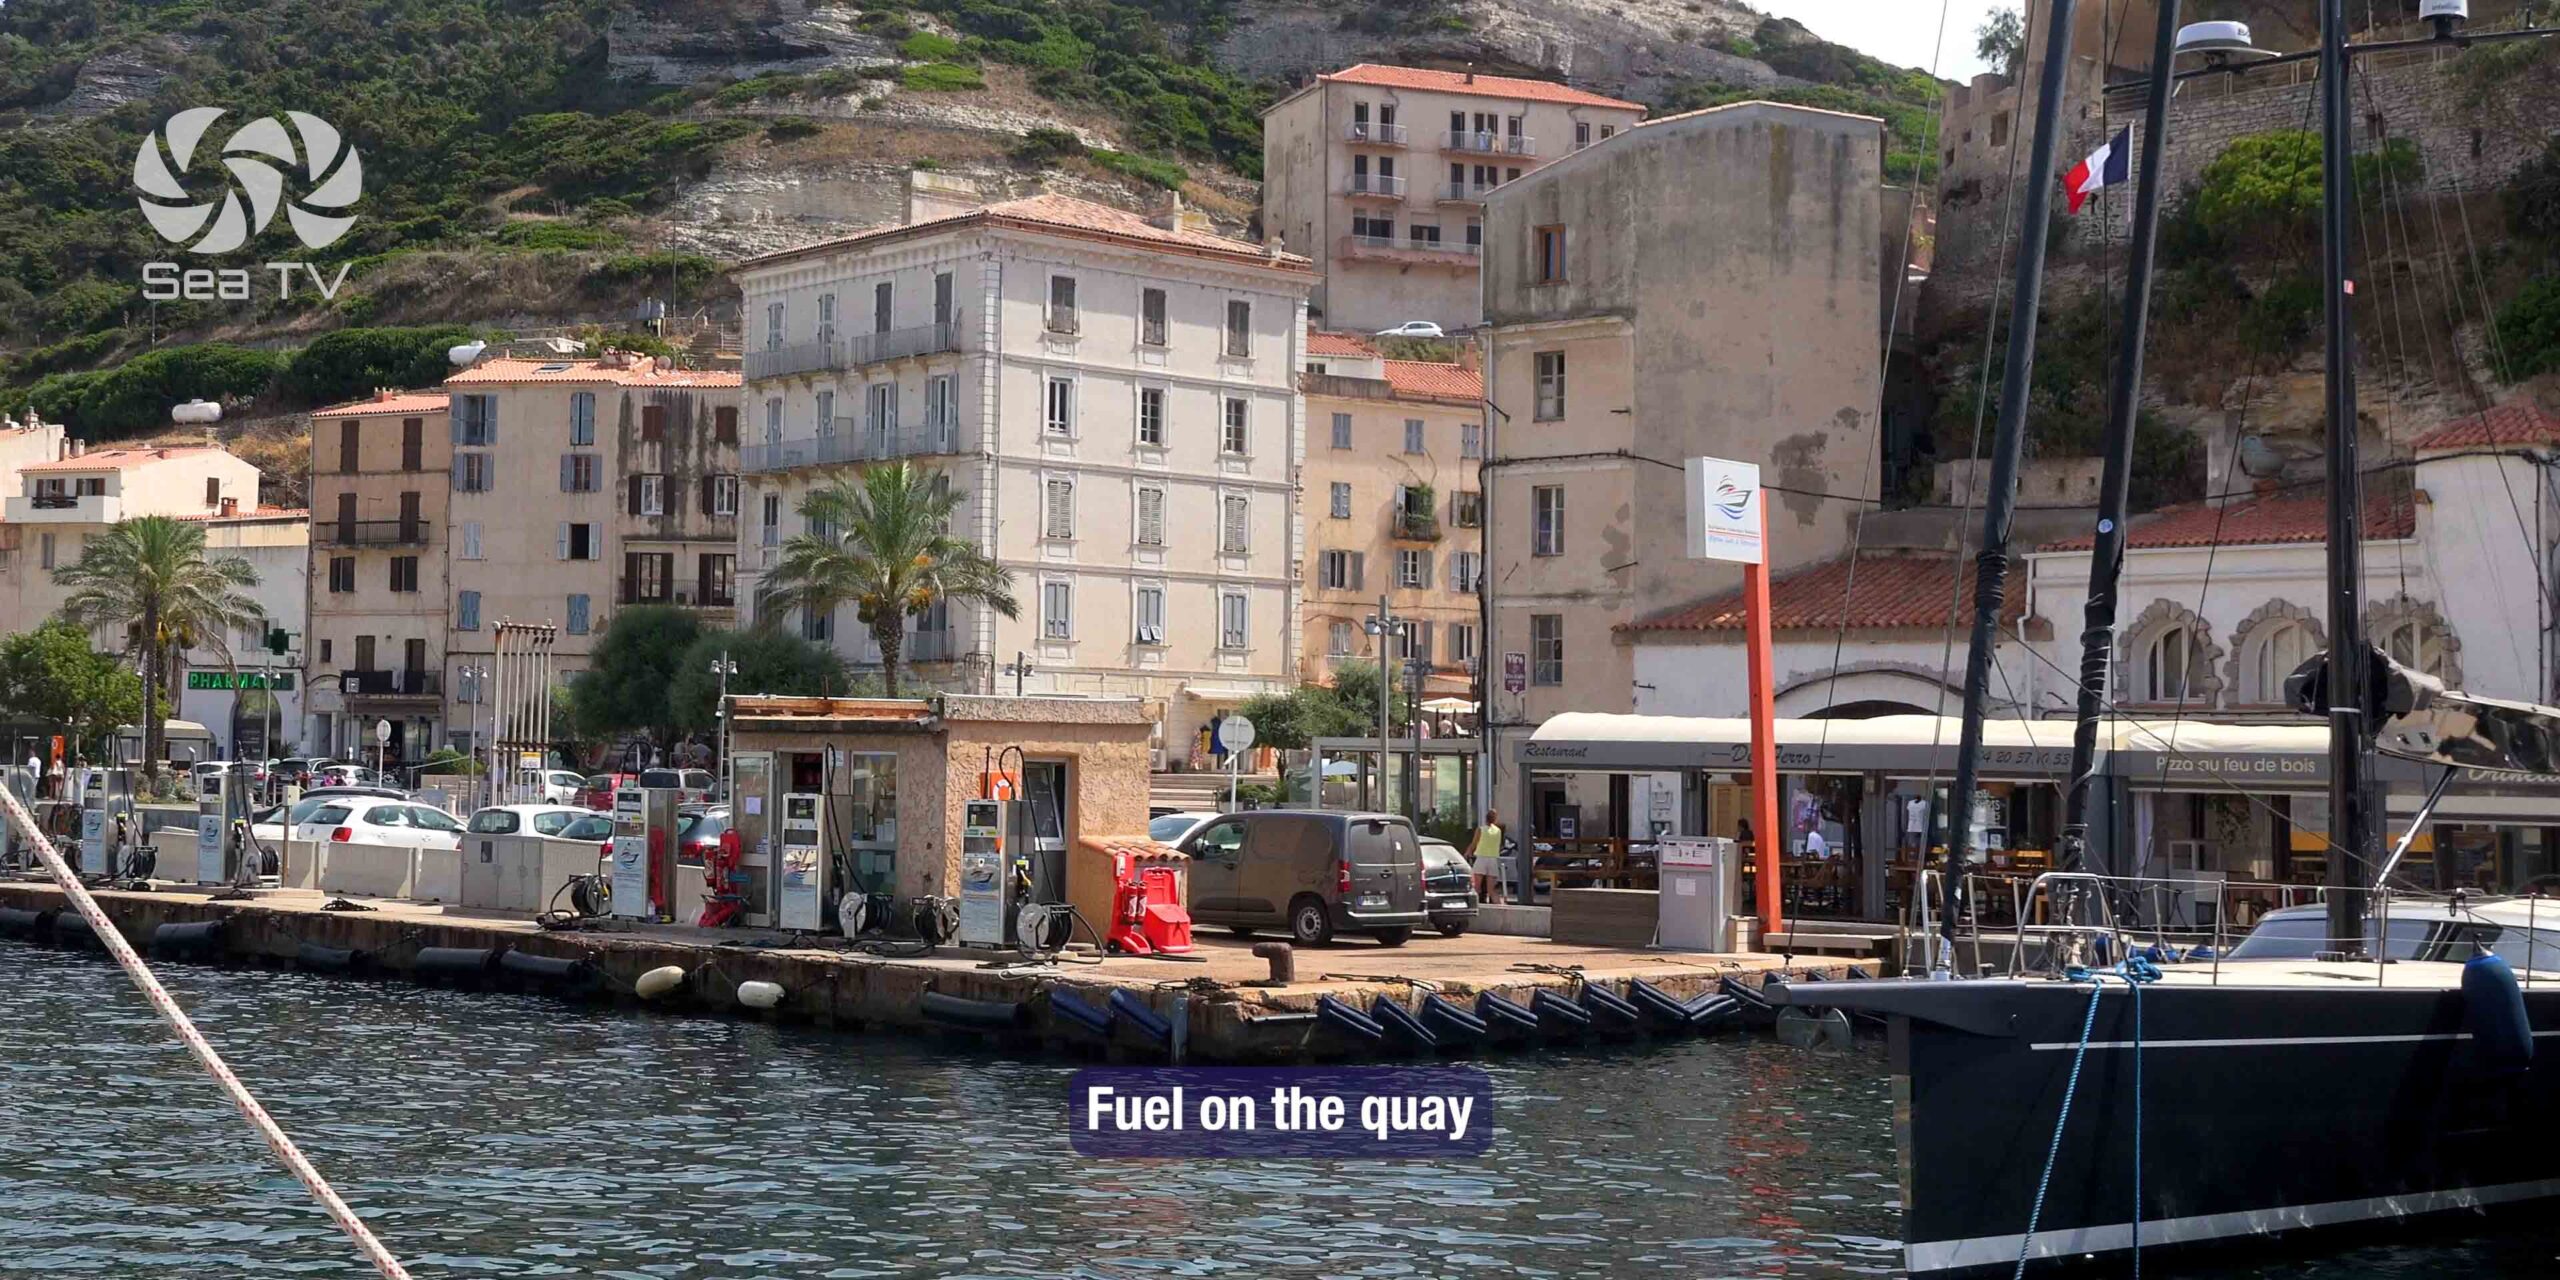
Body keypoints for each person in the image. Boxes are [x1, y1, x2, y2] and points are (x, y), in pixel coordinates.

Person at [1470, 809, 1506, 905]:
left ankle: (1476, 906)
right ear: (1495, 819)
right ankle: (1501, 908)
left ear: (1485, 818)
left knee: (1476, 887)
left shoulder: (1481, 829)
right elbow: (1500, 845)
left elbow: (1474, 844)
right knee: (1491, 890)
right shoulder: (1498, 831)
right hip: (1493, 859)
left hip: (1481, 858)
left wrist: (1467, 853)